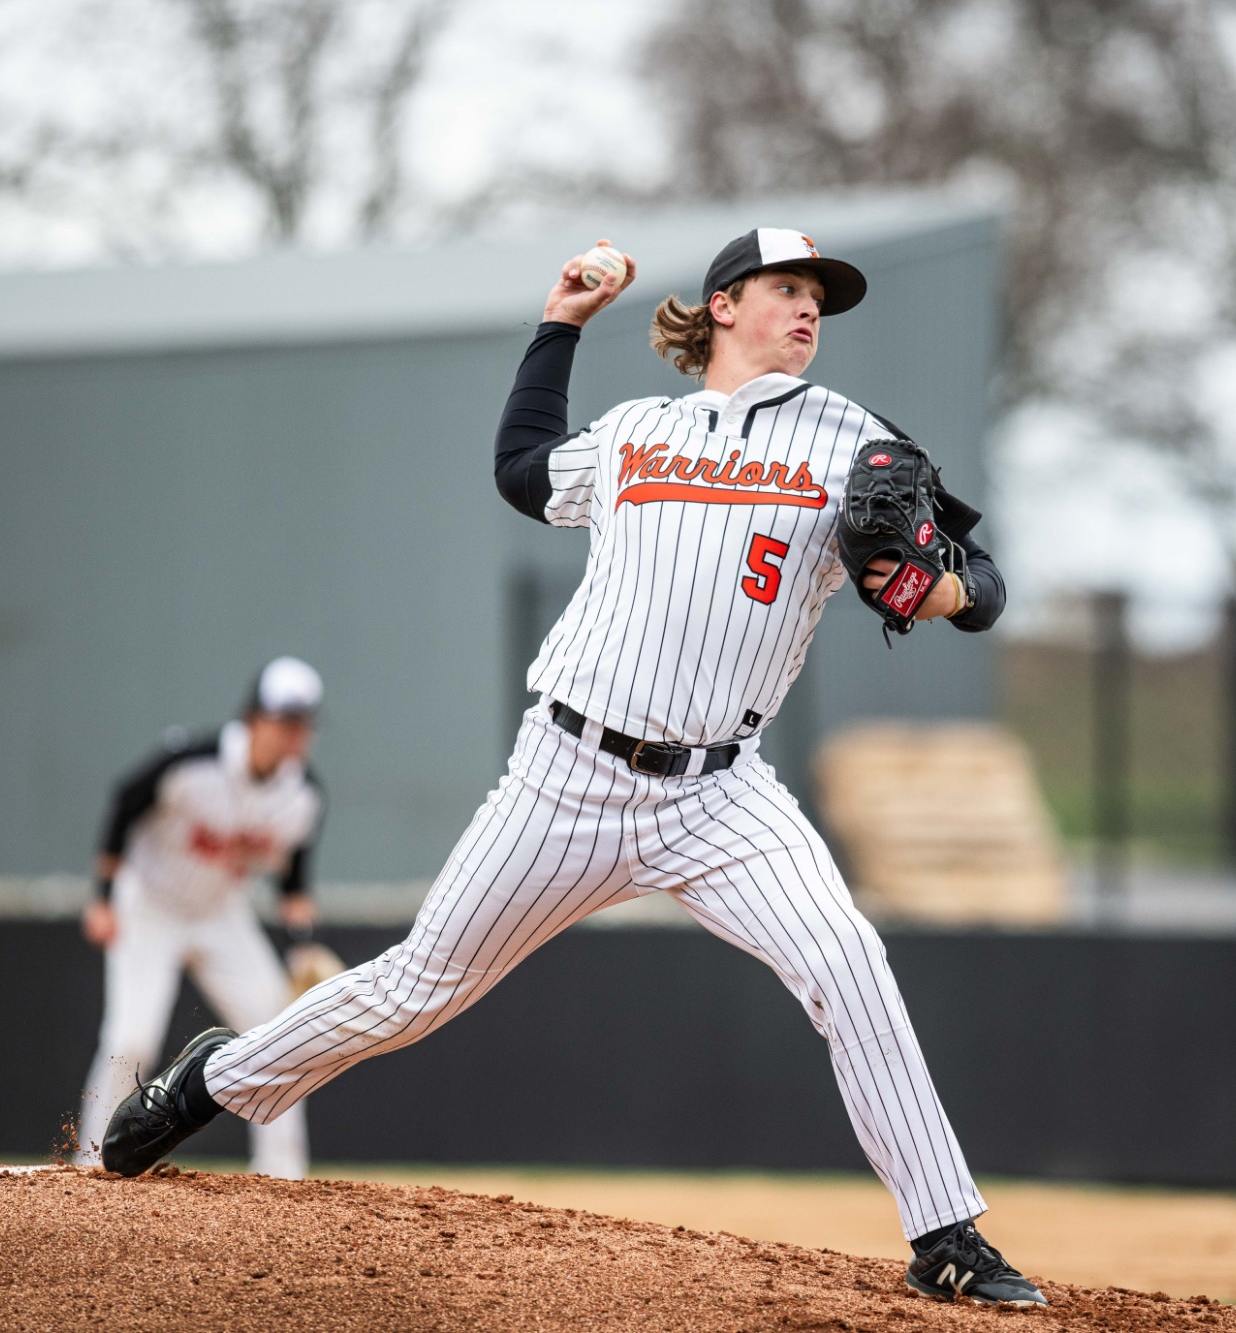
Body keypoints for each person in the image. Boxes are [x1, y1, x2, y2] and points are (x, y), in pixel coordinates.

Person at [100, 228, 1044, 1307]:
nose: (807, 310)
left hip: (720, 794)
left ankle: (944, 1235)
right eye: (785, 289)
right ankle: (213, 1078)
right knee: (416, 990)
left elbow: (977, 575)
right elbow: (519, 471)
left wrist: (949, 593)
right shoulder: (640, 430)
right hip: (566, 774)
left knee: (847, 961)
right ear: (723, 304)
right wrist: (560, 324)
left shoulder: (854, 440)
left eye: (819, 297)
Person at [76, 656, 327, 1180]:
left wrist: (302, 943)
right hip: (150, 904)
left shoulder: (302, 795)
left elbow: (294, 884)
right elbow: (125, 803)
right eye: (284, 721)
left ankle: (284, 1177)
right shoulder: (193, 761)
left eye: (302, 724)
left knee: (280, 1033)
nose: (293, 735)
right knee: (130, 1040)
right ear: (254, 718)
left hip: (221, 915)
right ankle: (92, 1164)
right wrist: (102, 896)